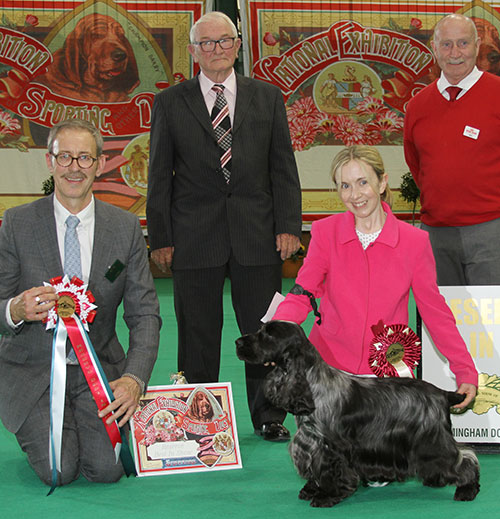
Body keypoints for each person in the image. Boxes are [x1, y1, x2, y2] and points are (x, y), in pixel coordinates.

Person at [147, 11, 301, 442]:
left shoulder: (268, 97)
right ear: (193, 51)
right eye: (205, 43)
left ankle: (269, 416)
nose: (215, 49)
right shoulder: (170, 102)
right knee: (196, 331)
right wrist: (160, 237)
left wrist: (289, 225)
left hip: (258, 234)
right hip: (193, 238)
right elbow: (159, 175)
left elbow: (283, 168)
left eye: (223, 40)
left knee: (263, 332)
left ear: (238, 44)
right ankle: (199, 417)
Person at [0, 119, 161, 487]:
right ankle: (41, 428)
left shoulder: (125, 229)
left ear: (100, 164)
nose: (75, 167)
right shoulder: (17, 223)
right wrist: (15, 310)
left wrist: (134, 379)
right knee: (60, 469)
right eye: (65, 157)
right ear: (50, 161)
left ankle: (80, 423)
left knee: (108, 470)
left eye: (85, 158)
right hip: (33, 372)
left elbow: (145, 314)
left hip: (99, 371)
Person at [273, 146, 477, 408]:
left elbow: (434, 311)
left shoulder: (415, 242)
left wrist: (465, 370)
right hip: (330, 372)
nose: (355, 195)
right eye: (345, 185)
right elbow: (302, 293)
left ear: (382, 183)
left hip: (388, 372)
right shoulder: (325, 233)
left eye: (363, 182)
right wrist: (275, 331)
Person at [404, 13, 500, 285]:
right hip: (436, 234)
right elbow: (416, 164)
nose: (455, 52)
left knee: (492, 323)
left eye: (463, 43)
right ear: (434, 48)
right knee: (441, 320)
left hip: (492, 231)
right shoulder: (418, 106)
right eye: (446, 44)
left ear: (477, 46)